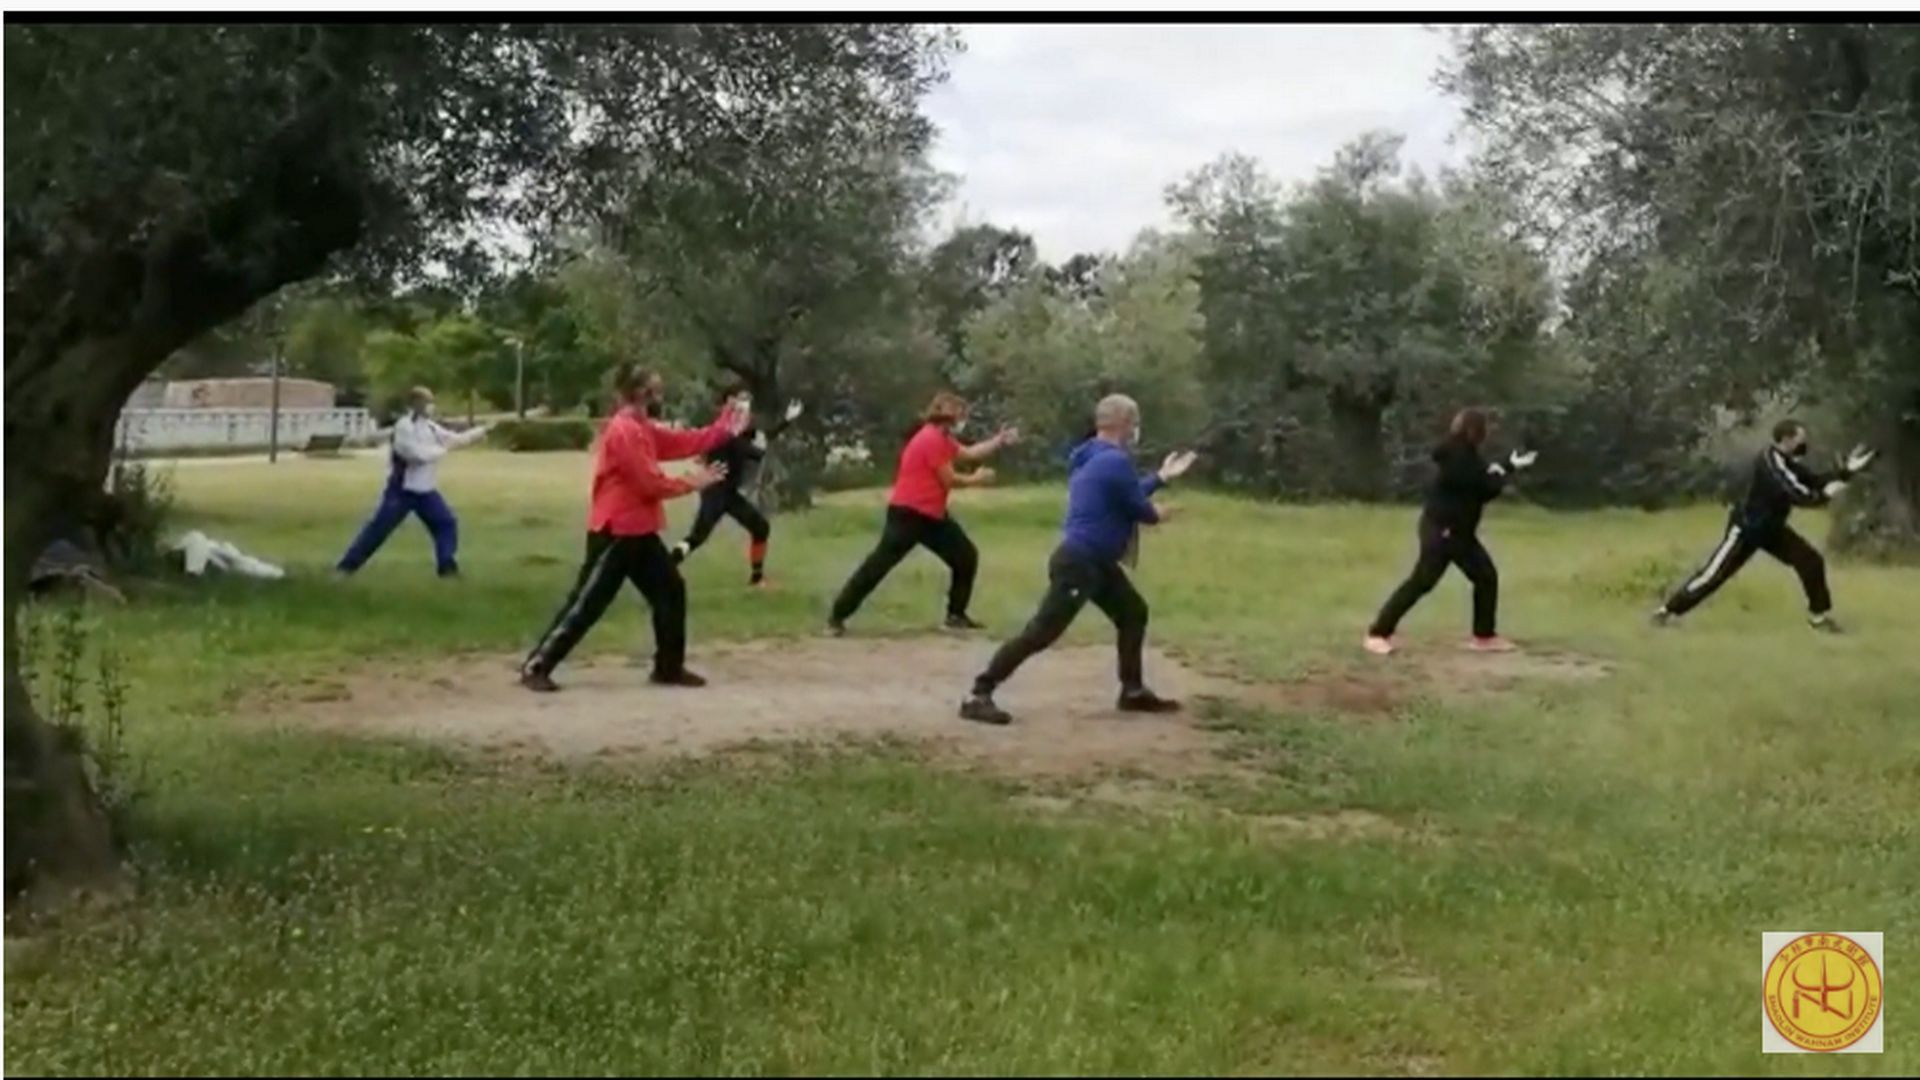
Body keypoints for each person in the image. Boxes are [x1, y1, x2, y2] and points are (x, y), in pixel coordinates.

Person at [959, 394, 1197, 725]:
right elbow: (1141, 510)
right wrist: (1161, 512)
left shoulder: (1091, 457)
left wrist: (1161, 477)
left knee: (1132, 612)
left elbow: (1124, 493)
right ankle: (978, 693)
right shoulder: (1115, 461)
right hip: (1081, 562)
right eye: (1135, 422)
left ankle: (1132, 690)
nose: (1136, 430)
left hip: (1093, 560)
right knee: (1041, 632)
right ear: (1126, 424)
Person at [518, 364, 746, 692]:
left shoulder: (640, 427)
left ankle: (668, 668)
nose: (661, 394)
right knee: (588, 603)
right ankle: (538, 665)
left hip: (638, 530)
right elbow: (647, 483)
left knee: (670, 590)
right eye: (656, 389)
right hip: (617, 531)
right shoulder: (624, 430)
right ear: (640, 393)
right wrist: (691, 483)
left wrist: (727, 423)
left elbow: (687, 441)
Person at [1653, 420, 1876, 633]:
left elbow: (1813, 481)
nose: (1803, 445)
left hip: (1772, 529)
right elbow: (1799, 494)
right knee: (1714, 575)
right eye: (1800, 440)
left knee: (1810, 561)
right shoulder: (1771, 463)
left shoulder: (1787, 461)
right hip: (1748, 528)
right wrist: (1826, 493)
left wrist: (1847, 472)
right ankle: (1666, 612)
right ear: (1787, 440)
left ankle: (1819, 617)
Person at [825, 392, 1017, 635]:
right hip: (908, 515)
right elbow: (949, 480)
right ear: (947, 416)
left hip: (931, 515)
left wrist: (999, 440)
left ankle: (955, 616)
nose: (961, 417)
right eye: (958, 412)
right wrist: (977, 479)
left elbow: (970, 453)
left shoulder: (943, 438)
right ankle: (837, 617)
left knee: (966, 557)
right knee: (877, 566)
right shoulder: (931, 439)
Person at [1364, 407, 1537, 655]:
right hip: (1444, 531)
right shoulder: (1457, 458)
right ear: (1474, 431)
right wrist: (1503, 475)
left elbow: (1483, 473)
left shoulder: (1463, 453)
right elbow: (1484, 487)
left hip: (1458, 531)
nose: (1486, 435)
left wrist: (1509, 464)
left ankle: (1484, 636)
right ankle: (1377, 633)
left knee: (1485, 576)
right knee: (1422, 581)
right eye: (1483, 430)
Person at [334, 386, 489, 579]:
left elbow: (454, 440)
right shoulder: (404, 427)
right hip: (402, 491)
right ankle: (346, 567)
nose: (431, 406)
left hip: (425, 491)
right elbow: (415, 455)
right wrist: (442, 450)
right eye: (427, 402)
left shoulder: (430, 427)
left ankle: (447, 567)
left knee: (446, 523)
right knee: (378, 530)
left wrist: (477, 433)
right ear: (415, 404)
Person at [669, 384, 805, 588]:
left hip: (726, 493)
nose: (745, 408)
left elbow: (762, 436)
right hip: (716, 492)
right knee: (697, 537)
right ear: (728, 406)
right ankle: (665, 568)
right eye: (740, 402)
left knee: (759, 527)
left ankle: (757, 578)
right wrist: (760, 445)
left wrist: (786, 420)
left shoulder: (733, 431)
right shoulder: (727, 435)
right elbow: (756, 452)